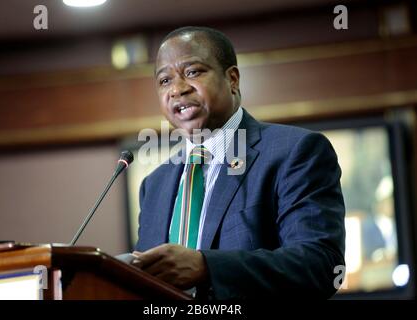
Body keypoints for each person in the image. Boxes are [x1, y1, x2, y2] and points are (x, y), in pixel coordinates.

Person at [131, 26, 346, 299]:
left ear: (232, 79)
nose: (177, 89)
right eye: (164, 80)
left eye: (193, 72)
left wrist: (207, 266)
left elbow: (321, 266)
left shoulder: (295, 152)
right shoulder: (154, 185)